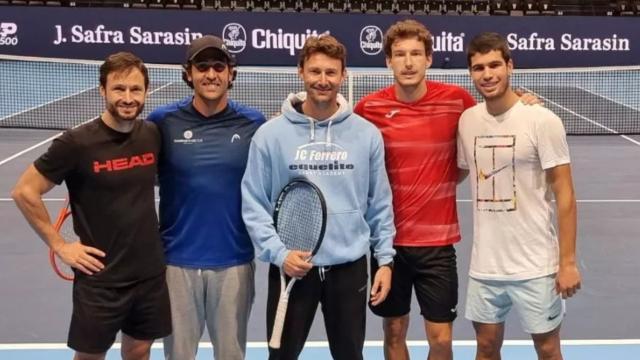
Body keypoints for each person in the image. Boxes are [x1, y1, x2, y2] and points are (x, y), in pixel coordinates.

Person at [241, 34, 396, 360]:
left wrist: (384, 259)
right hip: (292, 267)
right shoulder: (270, 136)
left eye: (330, 72)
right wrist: (280, 253)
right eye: (315, 72)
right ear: (301, 72)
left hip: (349, 268)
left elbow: (379, 202)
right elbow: (254, 203)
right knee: (281, 357)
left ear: (343, 75)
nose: (322, 81)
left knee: (350, 355)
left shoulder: (366, 135)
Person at [11, 52, 171, 360]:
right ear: (103, 90)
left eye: (135, 89)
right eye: (119, 88)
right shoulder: (76, 143)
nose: (127, 97)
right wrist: (60, 245)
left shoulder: (151, 135)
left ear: (146, 91)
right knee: (90, 356)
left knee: (139, 351)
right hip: (100, 278)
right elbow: (24, 191)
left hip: (149, 273)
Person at [354, 20, 475, 360]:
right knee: (393, 331)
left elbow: (493, 117)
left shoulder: (456, 101)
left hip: (437, 245)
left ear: (429, 59)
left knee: (441, 339)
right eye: (400, 54)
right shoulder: (368, 109)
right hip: (387, 244)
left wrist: (523, 101)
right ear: (387, 62)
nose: (408, 62)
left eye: (416, 54)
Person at [457, 32, 581, 360]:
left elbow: (565, 192)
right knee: (485, 347)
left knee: (548, 348)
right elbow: (456, 172)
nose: (488, 74)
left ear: (510, 66)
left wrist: (567, 262)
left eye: (495, 64)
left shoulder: (542, 120)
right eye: (479, 67)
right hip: (485, 266)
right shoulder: (466, 122)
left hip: (536, 265)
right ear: (471, 73)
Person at [146, 35, 266, 360]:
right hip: (176, 262)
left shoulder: (254, 123)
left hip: (234, 262)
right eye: (202, 66)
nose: (210, 74)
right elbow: (130, 169)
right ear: (188, 73)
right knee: (179, 356)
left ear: (231, 73)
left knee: (230, 354)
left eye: (218, 66)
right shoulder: (162, 122)